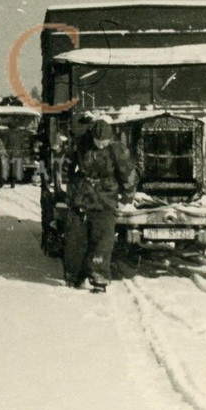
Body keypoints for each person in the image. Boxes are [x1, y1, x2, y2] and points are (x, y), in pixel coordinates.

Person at [63, 117, 136, 293]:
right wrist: (69, 183)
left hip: (106, 199)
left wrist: (127, 196)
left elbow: (128, 173)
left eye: (104, 142)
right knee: (76, 239)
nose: (101, 145)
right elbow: (67, 164)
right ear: (92, 137)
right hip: (81, 196)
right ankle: (75, 276)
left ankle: (99, 277)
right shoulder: (79, 143)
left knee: (103, 240)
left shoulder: (117, 149)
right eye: (98, 141)